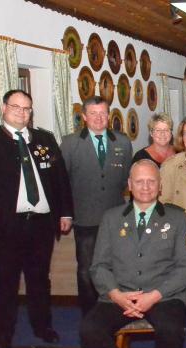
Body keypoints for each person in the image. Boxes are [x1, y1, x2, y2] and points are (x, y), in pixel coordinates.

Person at [0, 89, 73, 348]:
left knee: (39, 280)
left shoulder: (44, 139)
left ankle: (43, 327)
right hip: (5, 227)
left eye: (27, 109)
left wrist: (65, 213)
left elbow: (60, 180)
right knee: (6, 281)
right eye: (16, 107)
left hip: (41, 225)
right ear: (4, 108)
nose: (22, 113)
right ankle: (3, 335)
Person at [80, 160, 186, 348]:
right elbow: (98, 266)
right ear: (129, 185)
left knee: (172, 328)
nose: (145, 187)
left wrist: (154, 295)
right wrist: (117, 295)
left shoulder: (176, 218)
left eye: (151, 181)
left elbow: (185, 267)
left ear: (160, 185)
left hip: (163, 295)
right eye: (139, 181)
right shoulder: (111, 218)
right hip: (120, 294)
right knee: (89, 329)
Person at [61, 96, 133, 315]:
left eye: (103, 113)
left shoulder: (122, 141)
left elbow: (126, 180)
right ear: (84, 116)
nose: (99, 118)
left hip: (116, 217)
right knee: (86, 270)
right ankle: (90, 314)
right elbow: (62, 182)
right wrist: (65, 213)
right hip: (85, 217)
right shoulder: (70, 143)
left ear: (108, 115)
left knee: (117, 267)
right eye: (93, 113)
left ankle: (112, 310)